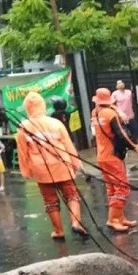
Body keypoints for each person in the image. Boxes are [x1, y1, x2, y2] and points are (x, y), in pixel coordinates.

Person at [15, 92, 87, 239]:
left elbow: (23, 154)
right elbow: (68, 146)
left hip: (41, 169)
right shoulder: (56, 123)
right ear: (42, 105)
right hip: (62, 165)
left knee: (50, 201)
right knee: (72, 196)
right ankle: (76, 222)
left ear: (27, 108)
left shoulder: (23, 128)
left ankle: (59, 231)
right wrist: (76, 164)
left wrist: (26, 171)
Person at [91, 88, 138, 233]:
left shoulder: (95, 113)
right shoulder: (110, 114)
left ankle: (119, 217)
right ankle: (113, 219)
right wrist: (136, 148)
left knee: (112, 188)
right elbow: (122, 134)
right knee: (122, 187)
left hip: (101, 156)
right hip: (112, 156)